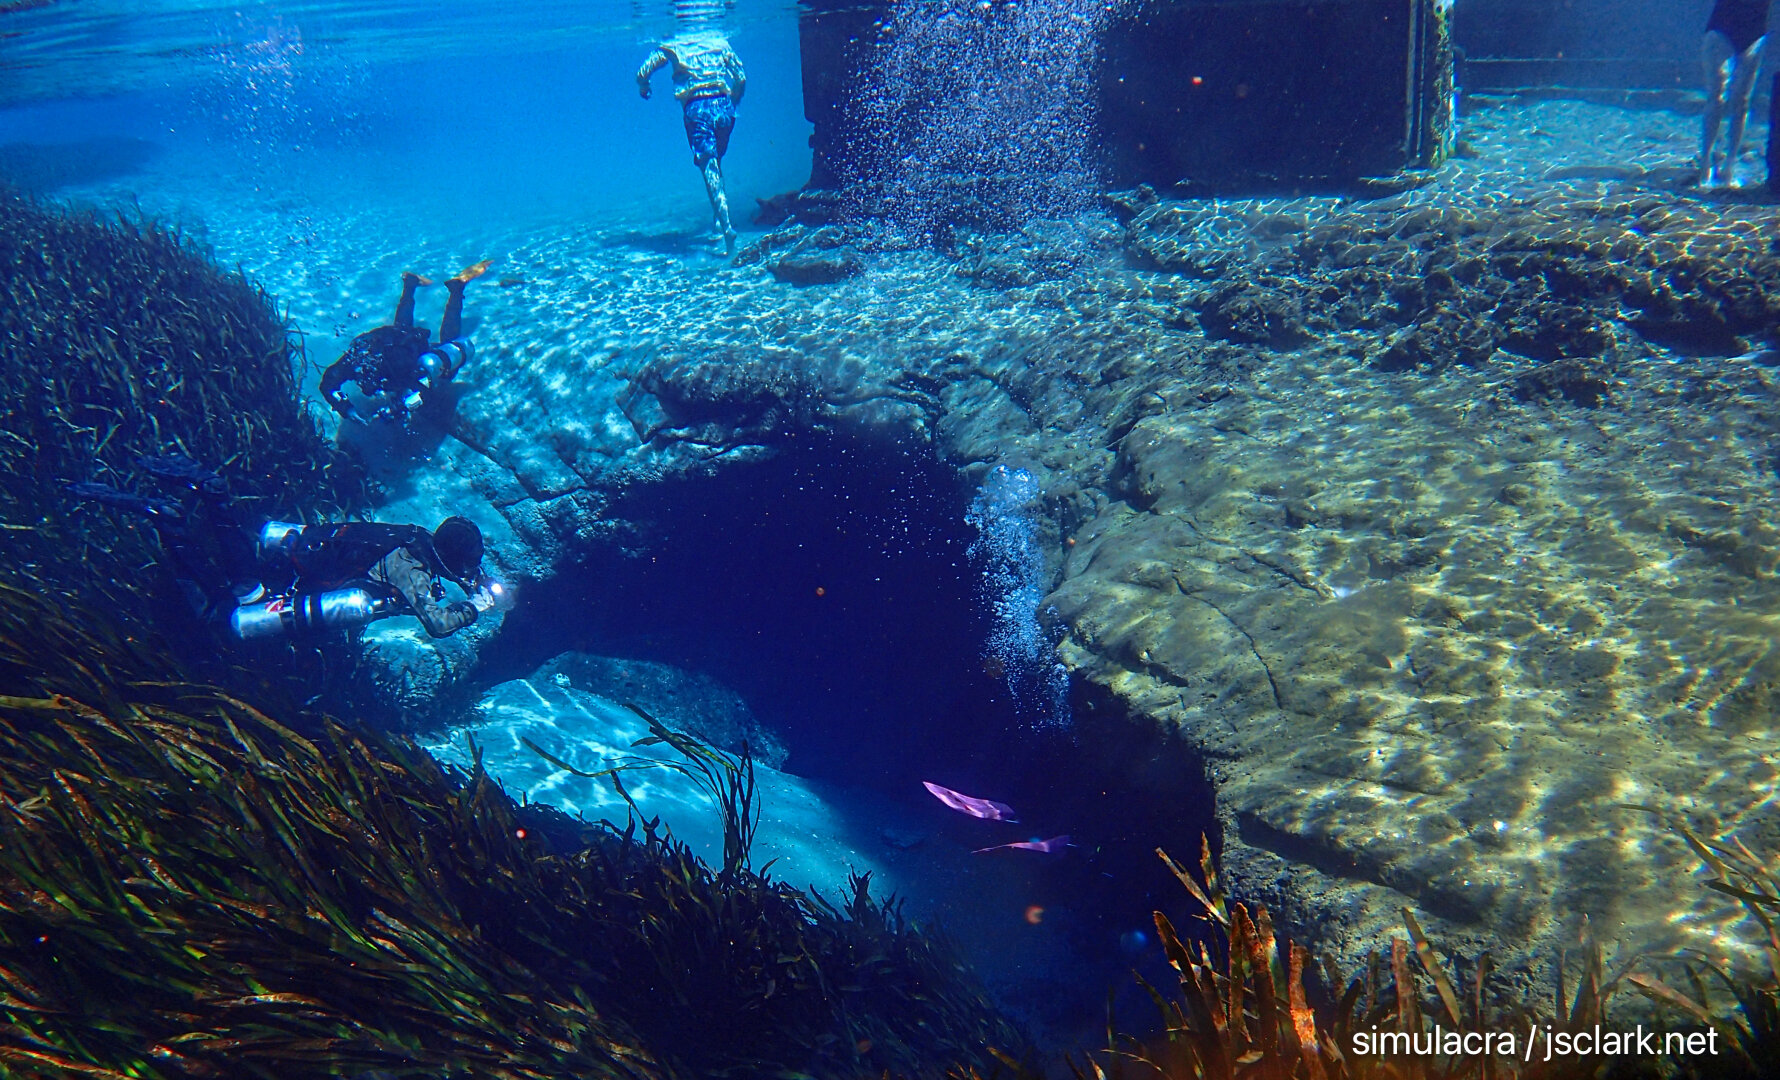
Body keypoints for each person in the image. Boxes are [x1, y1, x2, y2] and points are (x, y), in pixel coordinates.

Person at [248, 516, 498, 640]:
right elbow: (438, 625)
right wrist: (472, 608)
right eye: (469, 561)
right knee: (360, 607)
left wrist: (474, 581)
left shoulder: (421, 538)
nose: (471, 567)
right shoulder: (412, 571)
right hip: (312, 577)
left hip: (313, 544)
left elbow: (449, 562)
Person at [320, 259, 492, 425]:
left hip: (408, 348)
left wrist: (401, 408)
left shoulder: (399, 365)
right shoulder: (354, 361)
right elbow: (328, 384)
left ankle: (457, 288)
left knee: (448, 359)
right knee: (401, 328)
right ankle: (410, 283)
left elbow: (424, 391)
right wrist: (346, 409)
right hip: (388, 339)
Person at [636, 31, 747, 254]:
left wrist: (644, 86)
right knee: (717, 164)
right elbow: (741, 78)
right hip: (724, 107)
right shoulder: (719, 41)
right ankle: (718, 219)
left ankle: (726, 228)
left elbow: (643, 71)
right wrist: (734, 100)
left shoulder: (672, 44)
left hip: (697, 108)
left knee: (709, 167)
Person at [1699, 0, 1772, 189]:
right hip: (1727, 26)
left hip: (1751, 30)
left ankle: (1726, 165)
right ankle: (1707, 162)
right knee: (1721, 95)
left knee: (1739, 100)